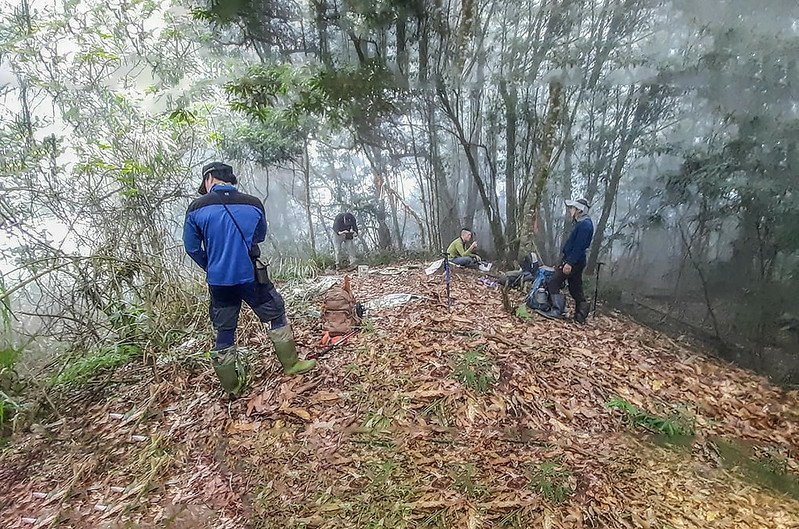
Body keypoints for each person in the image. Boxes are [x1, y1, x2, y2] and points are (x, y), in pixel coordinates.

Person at [183, 162, 316, 395]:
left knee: (225, 329)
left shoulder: (196, 208)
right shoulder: (252, 204)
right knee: (275, 313)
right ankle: (292, 365)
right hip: (250, 277)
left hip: (219, 282)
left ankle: (232, 387)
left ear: (209, 179)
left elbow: (192, 248)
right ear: (230, 179)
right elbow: (259, 236)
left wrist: (212, 265)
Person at [538, 198, 594, 323]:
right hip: (575, 261)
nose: (570, 210)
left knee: (553, 282)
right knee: (575, 288)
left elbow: (579, 247)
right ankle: (580, 316)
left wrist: (569, 263)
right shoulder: (582, 223)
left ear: (579, 210)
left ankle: (557, 311)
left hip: (574, 262)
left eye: (572, 208)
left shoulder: (585, 225)